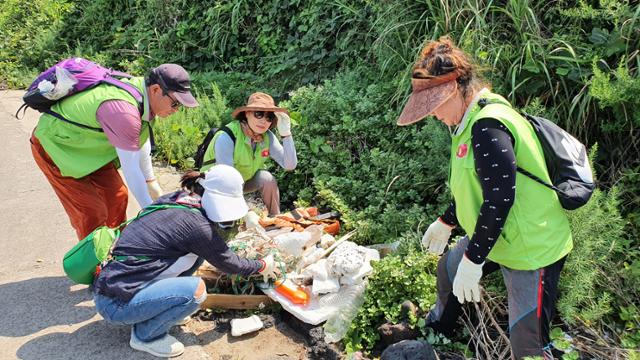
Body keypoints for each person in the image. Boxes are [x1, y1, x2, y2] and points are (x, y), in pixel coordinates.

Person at [396, 37, 572, 359]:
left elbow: (500, 198)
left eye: (435, 106)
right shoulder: (468, 121)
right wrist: (446, 221)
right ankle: (439, 335)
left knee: (528, 344)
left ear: (455, 90)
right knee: (448, 272)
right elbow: (477, 185)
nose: (433, 116)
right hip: (496, 235)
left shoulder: (488, 125)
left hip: (531, 247)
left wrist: (474, 260)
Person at [93, 164, 284, 358]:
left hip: (114, 286)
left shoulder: (179, 199)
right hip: (116, 304)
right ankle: (145, 336)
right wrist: (262, 265)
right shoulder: (197, 227)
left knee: (197, 256)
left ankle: (159, 308)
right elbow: (230, 263)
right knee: (196, 292)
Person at [30, 64, 199, 240]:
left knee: (118, 197)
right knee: (91, 212)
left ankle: (117, 249)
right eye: (175, 103)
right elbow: (131, 170)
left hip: (90, 149)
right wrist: (154, 215)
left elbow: (141, 142)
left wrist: (151, 181)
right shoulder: (124, 111)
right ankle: (94, 262)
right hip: (56, 146)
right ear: (156, 89)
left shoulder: (143, 95)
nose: (176, 109)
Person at [200, 92, 297, 216]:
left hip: (241, 182)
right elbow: (226, 180)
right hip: (214, 185)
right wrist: (246, 212)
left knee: (266, 178)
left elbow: (290, 165)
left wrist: (286, 134)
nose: (263, 121)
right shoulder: (227, 136)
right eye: (259, 114)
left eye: (269, 117)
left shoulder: (267, 137)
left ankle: (275, 218)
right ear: (247, 113)